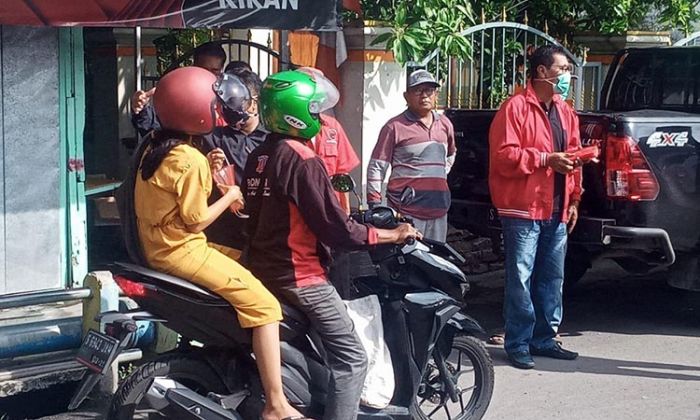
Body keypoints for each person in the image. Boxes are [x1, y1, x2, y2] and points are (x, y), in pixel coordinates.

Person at [242, 69, 421, 420]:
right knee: (353, 359)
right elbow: (337, 230)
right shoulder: (302, 160)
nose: (319, 117)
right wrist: (391, 234)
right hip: (300, 277)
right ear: (295, 112)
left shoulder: (258, 157)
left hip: (263, 271)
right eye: (313, 109)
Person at [132, 66, 305, 420]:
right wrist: (231, 195)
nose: (222, 109)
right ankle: (276, 404)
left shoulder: (158, 147)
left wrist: (209, 170)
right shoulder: (189, 158)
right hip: (182, 250)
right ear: (198, 111)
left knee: (249, 258)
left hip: (161, 246)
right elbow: (196, 220)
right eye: (215, 104)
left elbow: (175, 199)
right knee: (265, 308)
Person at [488, 44, 582, 370]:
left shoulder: (565, 111)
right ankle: (518, 342)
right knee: (521, 279)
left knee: (551, 279)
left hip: (556, 209)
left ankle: (544, 338)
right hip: (523, 210)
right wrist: (544, 159)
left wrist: (575, 200)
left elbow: (574, 158)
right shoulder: (514, 108)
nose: (568, 76)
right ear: (542, 72)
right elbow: (503, 157)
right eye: (563, 69)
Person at [366, 69, 456, 242]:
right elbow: (377, 166)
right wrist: (375, 204)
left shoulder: (445, 124)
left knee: (435, 263)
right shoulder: (394, 127)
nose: (424, 96)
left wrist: (439, 176)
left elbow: (451, 154)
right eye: (418, 90)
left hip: (439, 209)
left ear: (436, 94)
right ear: (406, 96)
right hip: (406, 212)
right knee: (409, 264)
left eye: (429, 90)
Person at [202, 69, 266, 250]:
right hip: (225, 232)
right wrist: (208, 164)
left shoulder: (273, 140)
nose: (228, 107)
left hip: (264, 230)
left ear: (253, 102)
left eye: (235, 100)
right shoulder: (215, 138)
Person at [296, 67, 360, 214]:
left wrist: (345, 212)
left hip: (330, 208)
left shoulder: (332, 127)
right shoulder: (288, 129)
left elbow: (342, 174)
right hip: (299, 208)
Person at [130, 42, 227, 137]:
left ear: (222, 69)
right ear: (194, 66)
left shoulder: (229, 100)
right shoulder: (180, 95)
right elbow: (157, 133)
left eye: (215, 70)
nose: (208, 75)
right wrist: (142, 110)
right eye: (204, 70)